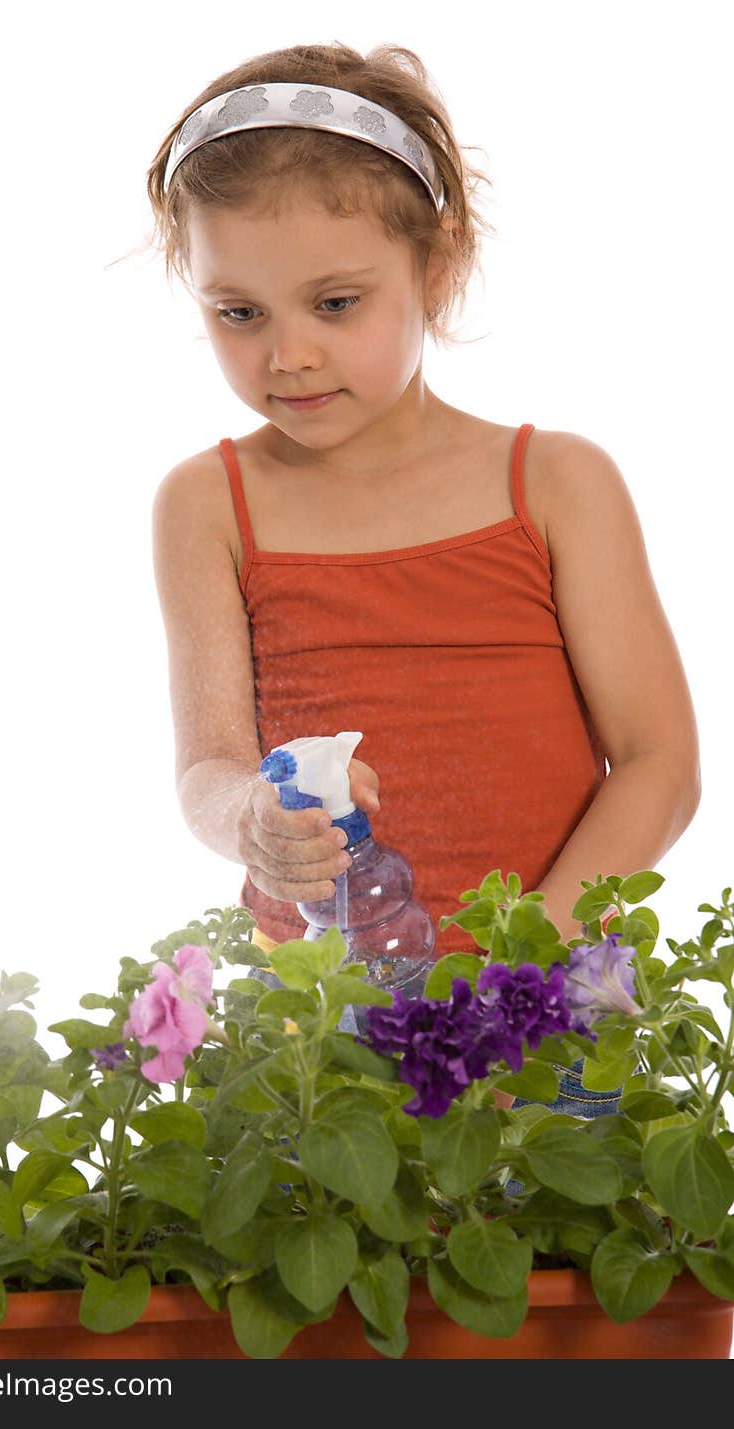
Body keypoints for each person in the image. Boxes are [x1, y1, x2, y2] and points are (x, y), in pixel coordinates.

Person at [145, 42, 701, 1114]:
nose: (287, 355)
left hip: (554, 996)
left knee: (568, 1273)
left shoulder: (554, 481)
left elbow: (657, 762)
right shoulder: (205, 505)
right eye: (239, 312)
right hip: (324, 1013)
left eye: (336, 303)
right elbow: (206, 768)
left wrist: (525, 966)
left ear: (436, 267)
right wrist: (248, 817)